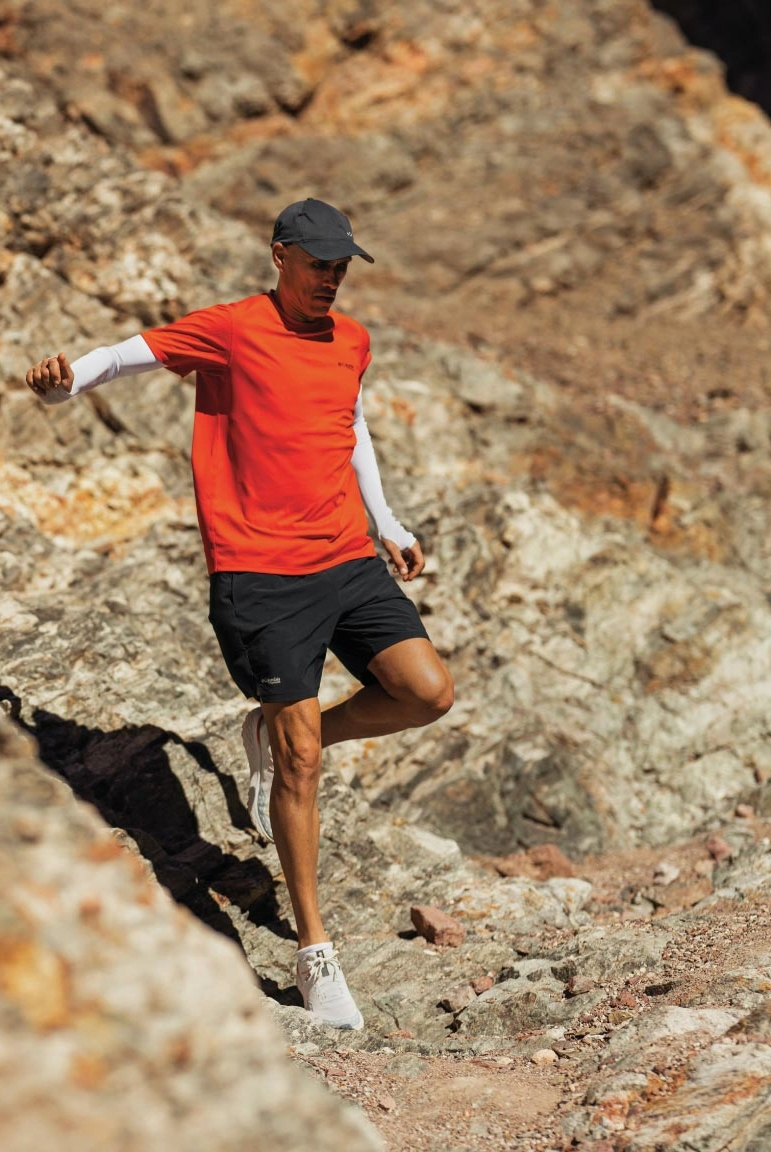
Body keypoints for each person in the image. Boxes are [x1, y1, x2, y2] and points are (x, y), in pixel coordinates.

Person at [26, 199, 454, 1030]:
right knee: (299, 766)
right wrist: (67, 380)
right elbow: (131, 354)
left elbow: (350, 422)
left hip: (347, 559)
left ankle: (287, 736)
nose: (330, 278)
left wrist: (387, 521)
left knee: (428, 691)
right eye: (318, 263)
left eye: (341, 266)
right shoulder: (230, 329)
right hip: (261, 575)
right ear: (279, 255)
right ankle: (314, 950)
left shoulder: (352, 340)